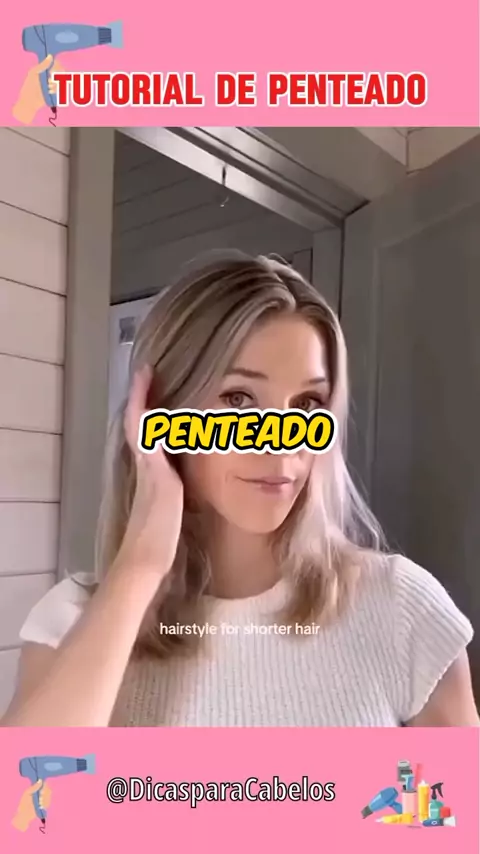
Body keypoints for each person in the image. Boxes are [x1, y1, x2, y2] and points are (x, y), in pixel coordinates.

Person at [2, 254, 478, 727]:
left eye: (308, 403)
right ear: (159, 413)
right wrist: (140, 565)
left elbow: (451, 782)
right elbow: (35, 778)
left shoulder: (401, 608)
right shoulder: (71, 619)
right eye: (238, 399)